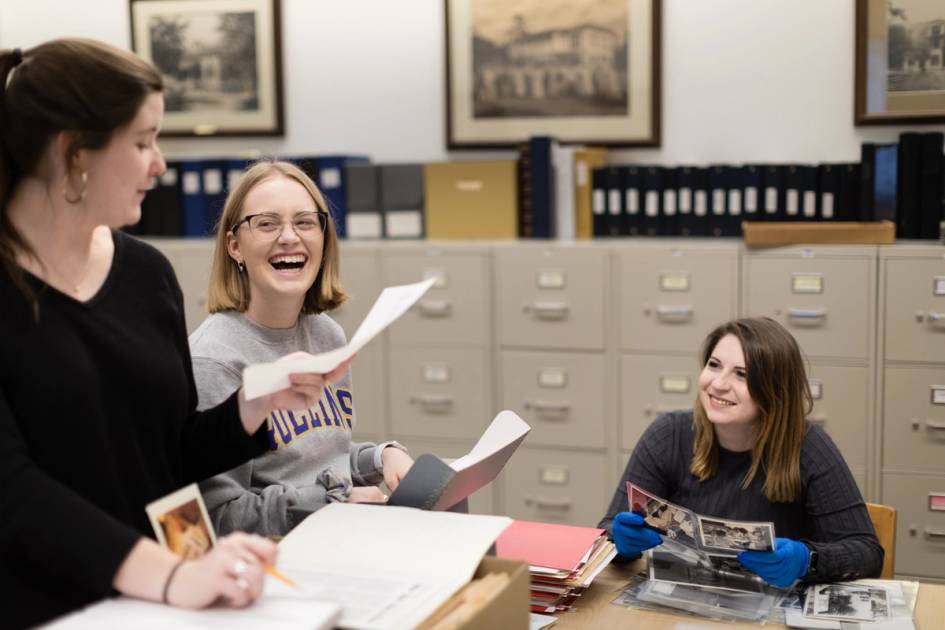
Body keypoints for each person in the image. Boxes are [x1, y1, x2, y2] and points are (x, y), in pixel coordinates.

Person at [0, 39, 345, 628]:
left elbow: (170, 451)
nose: (159, 163)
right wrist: (173, 575)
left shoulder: (145, 274)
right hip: (47, 605)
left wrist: (249, 407)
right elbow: (15, 491)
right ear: (74, 152)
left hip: (164, 597)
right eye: (142, 141)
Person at [190, 160, 415, 537]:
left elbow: (320, 459)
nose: (289, 237)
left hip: (339, 539)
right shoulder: (214, 360)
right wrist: (327, 506)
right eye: (267, 223)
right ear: (234, 246)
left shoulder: (327, 335)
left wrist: (381, 456)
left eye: (305, 222)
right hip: (277, 563)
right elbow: (218, 519)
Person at [600, 317, 883, 587]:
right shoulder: (668, 434)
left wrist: (807, 560)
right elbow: (608, 532)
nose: (719, 384)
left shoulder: (808, 446)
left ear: (774, 391)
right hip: (683, 604)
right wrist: (621, 542)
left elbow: (867, 552)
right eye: (714, 365)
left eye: (742, 375)